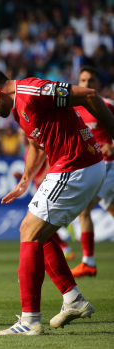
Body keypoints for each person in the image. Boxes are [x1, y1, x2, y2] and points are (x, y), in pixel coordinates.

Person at [0, 68, 114, 335]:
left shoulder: (33, 91)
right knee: (39, 233)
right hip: (74, 167)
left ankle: (30, 320)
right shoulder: (16, 108)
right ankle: (73, 299)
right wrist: (26, 179)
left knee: (29, 231)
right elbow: (36, 145)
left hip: (76, 166)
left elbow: (89, 95)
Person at [71, 66, 114, 278]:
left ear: (98, 84)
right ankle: (88, 262)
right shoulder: (74, 110)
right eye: (83, 80)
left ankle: (88, 261)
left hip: (108, 166)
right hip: (93, 168)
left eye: (91, 80)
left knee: (83, 209)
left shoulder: (107, 105)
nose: (87, 84)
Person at [15, 127, 76, 260]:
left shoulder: (36, 148)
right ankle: (64, 241)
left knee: (35, 223)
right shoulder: (27, 152)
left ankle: (63, 242)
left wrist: (43, 176)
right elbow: (34, 174)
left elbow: (49, 161)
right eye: (19, 135)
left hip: (47, 188)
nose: (21, 137)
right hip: (40, 189)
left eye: (22, 134)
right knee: (38, 225)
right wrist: (20, 176)